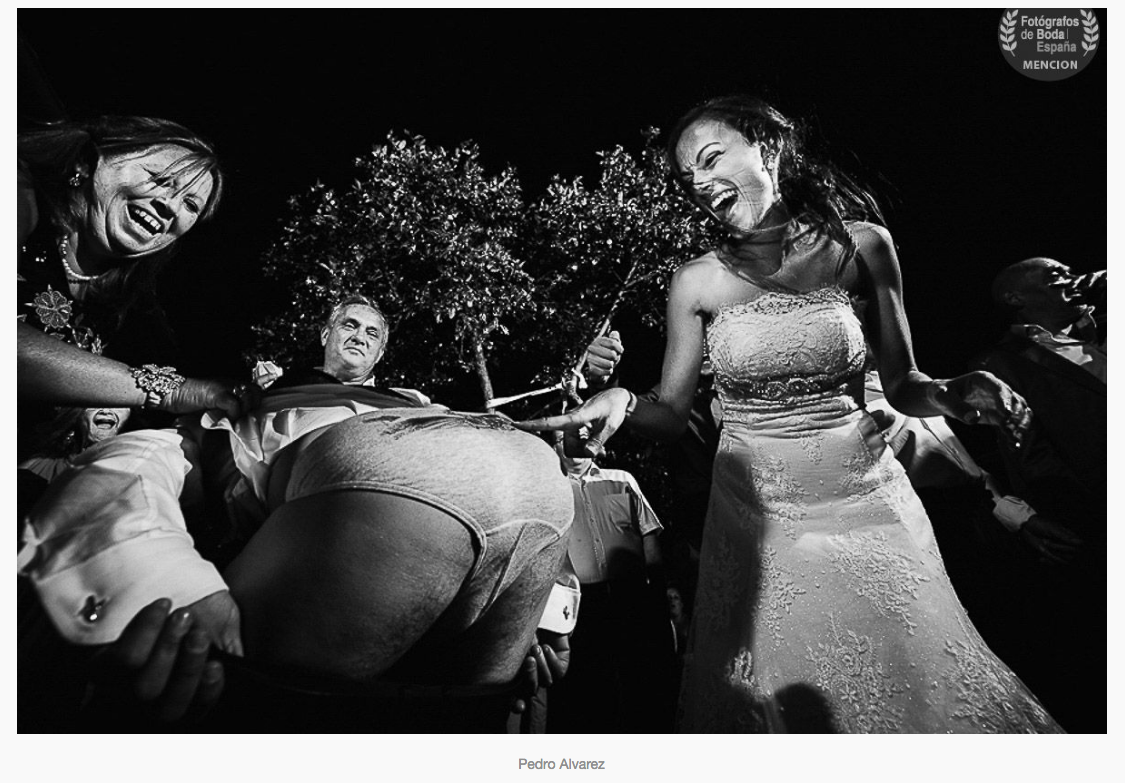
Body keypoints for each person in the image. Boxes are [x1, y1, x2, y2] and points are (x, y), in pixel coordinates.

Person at [520, 95, 1059, 733]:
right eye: (687, 175)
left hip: (869, 503)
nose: (697, 181)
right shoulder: (696, 282)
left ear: (769, 147)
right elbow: (669, 413)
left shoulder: (862, 246)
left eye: (712, 157)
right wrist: (620, 400)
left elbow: (906, 384)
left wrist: (955, 392)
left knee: (914, 677)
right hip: (759, 517)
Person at [20, 294, 574, 731]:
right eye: (349, 325)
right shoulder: (252, 399)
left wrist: (550, 605)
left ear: (381, 355)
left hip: (527, 486)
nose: (359, 336)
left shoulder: (419, 403)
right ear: (326, 335)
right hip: (517, 492)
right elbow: (154, 458)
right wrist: (165, 586)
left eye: (372, 333)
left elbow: (495, 467)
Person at [967, 258, 1106, 732]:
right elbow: (1031, 456)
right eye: (1054, 273)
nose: (1070, 277)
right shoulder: (1000, 364)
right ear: (1015, 297)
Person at [544, 431, 672, 733]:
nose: (575, 442)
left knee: (641, 682)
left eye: (582, 435)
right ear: (555, 445)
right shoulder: (549, 489)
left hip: (633, 596)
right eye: (566, 436)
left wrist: (659, 591)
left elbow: (649, 534)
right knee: (590, 687)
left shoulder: (622, 478)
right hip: (580, 606)